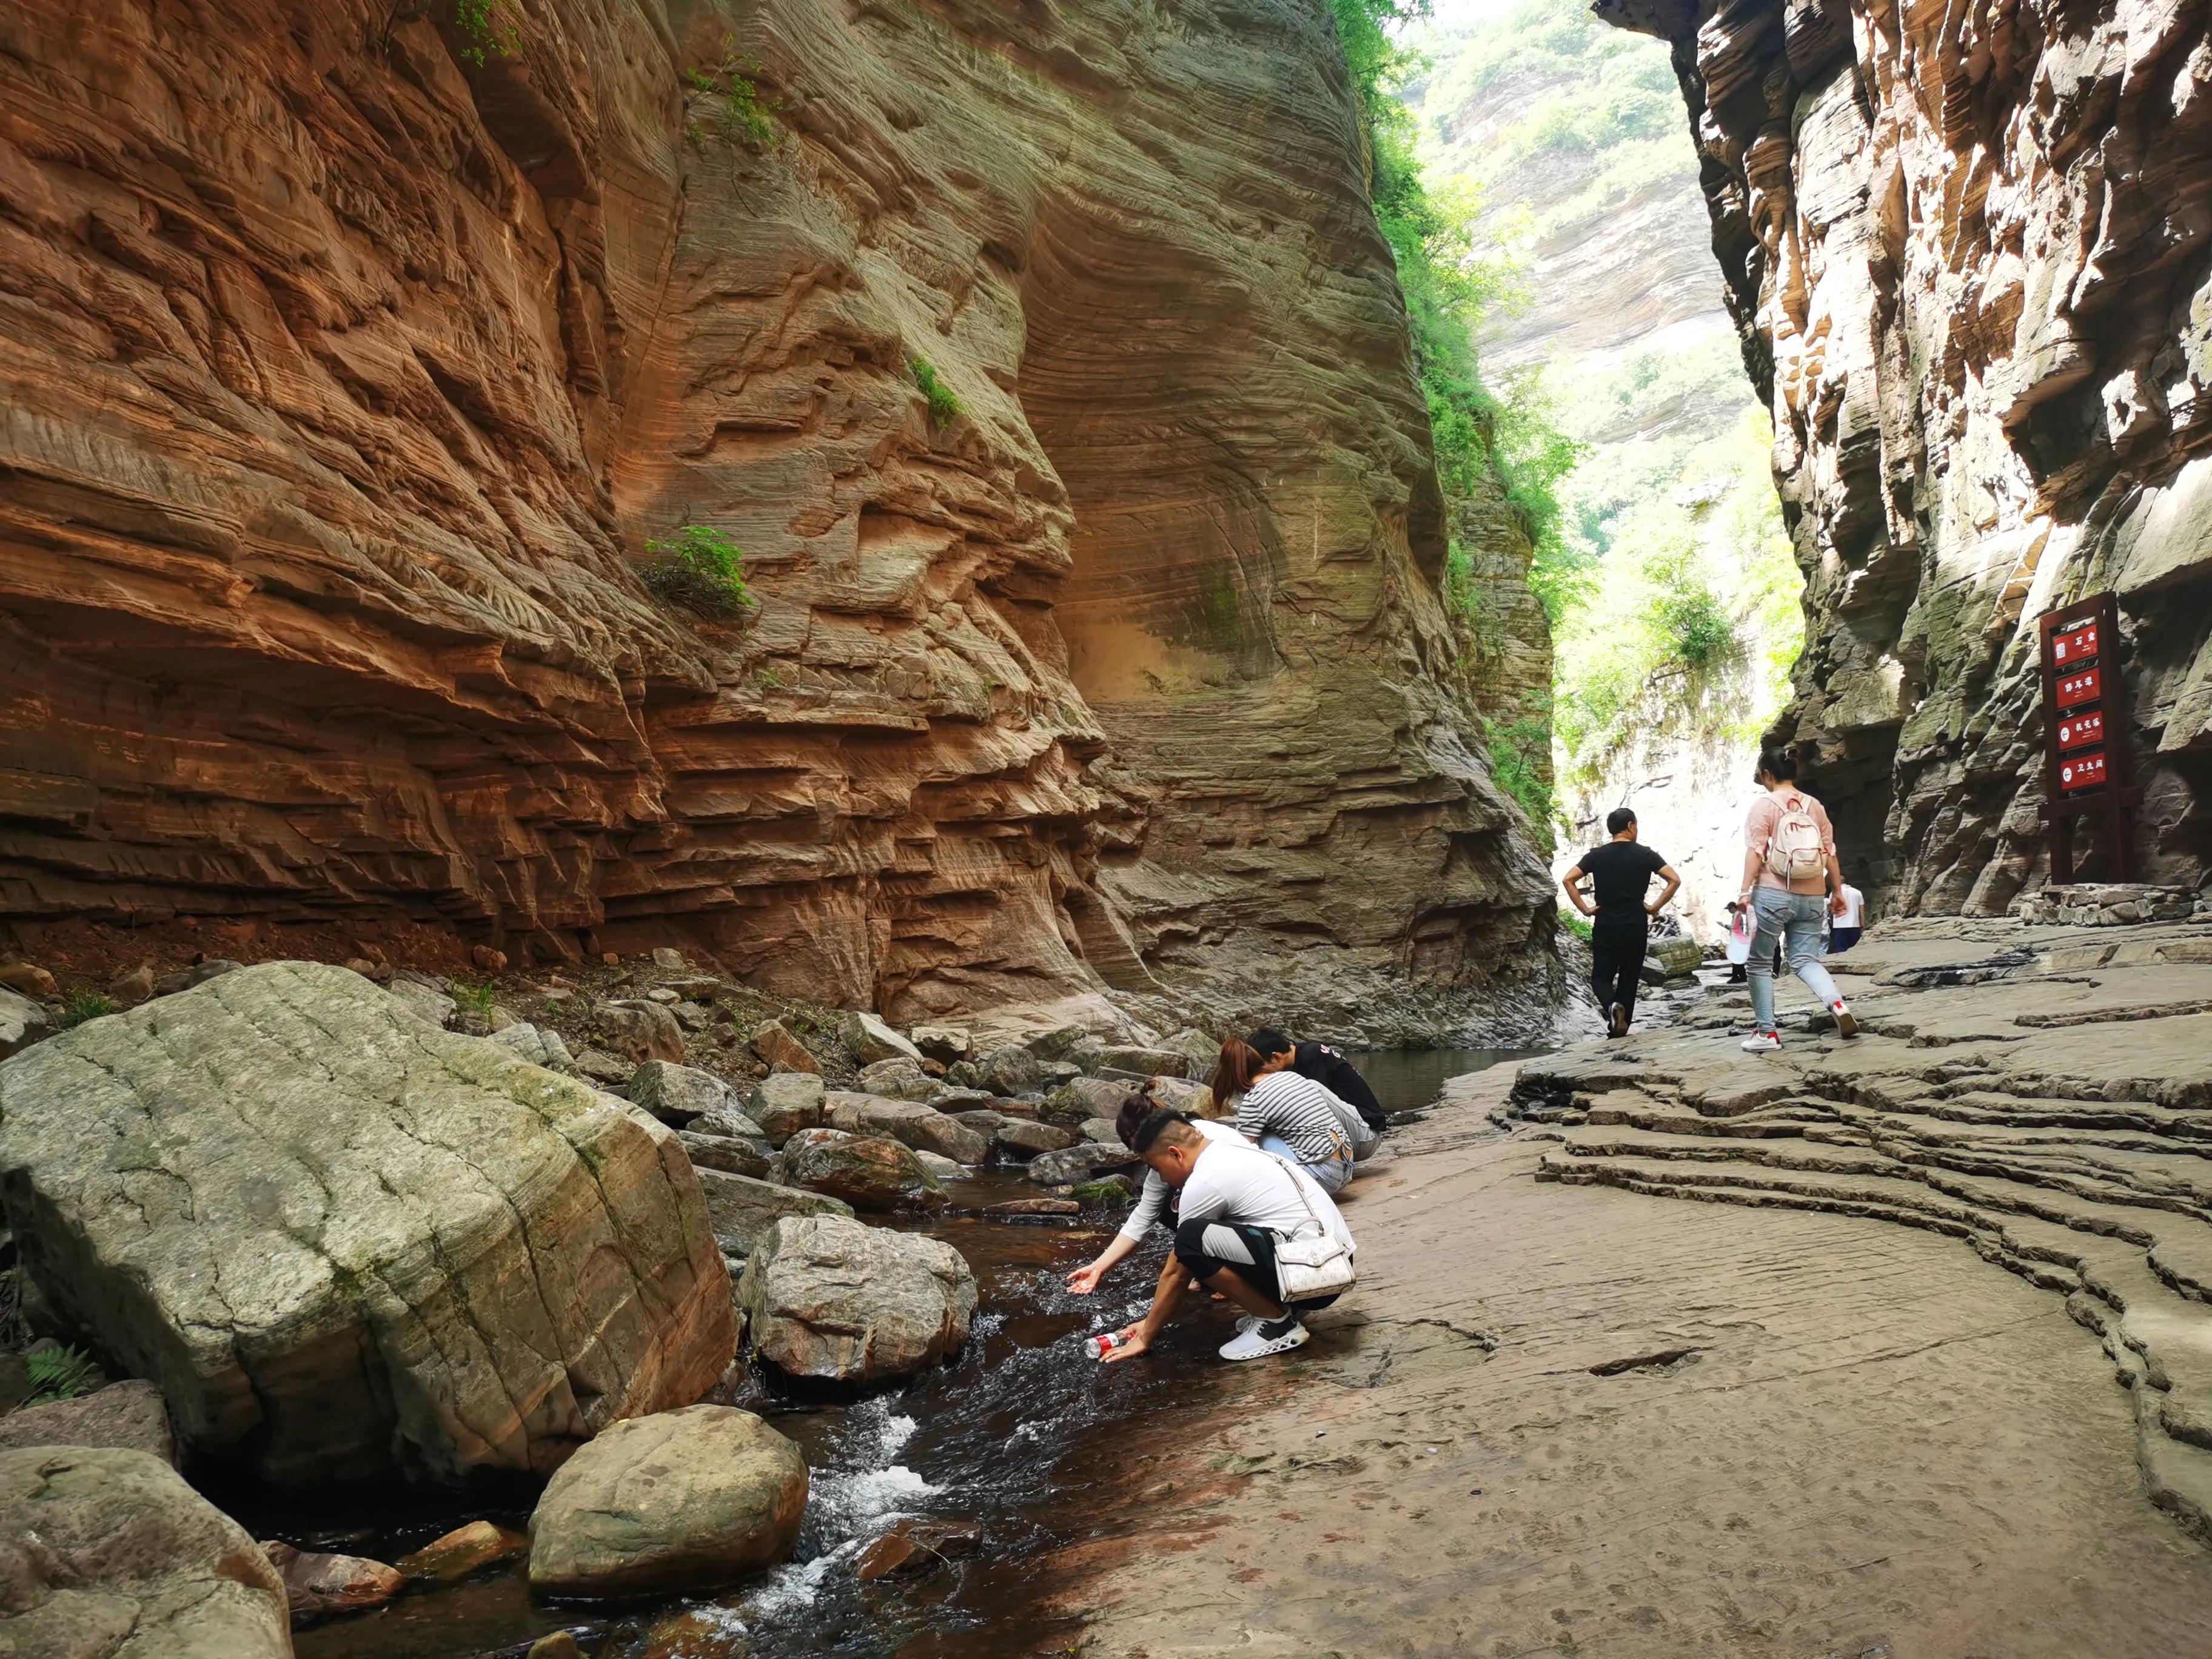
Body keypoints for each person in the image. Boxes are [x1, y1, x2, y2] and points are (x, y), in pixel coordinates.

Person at [1076, 1099, 1357, 1364]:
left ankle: (1276, 1324)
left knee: (1190, 1240)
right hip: (1333, 1259)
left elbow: (1177, 1271)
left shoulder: (1204, 1181)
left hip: (1316, 1277)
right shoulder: (1220, 1145)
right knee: (1203, 1234)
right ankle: (1277, 1310)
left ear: (1175, 1154)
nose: (1161, 1178)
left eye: (1157, 1169)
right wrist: (1101, 1268)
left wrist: (1146, 1334)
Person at [1735, 749, 1858, 1051]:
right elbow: (1829, 852)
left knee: (1759, 964)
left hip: (1773, 894)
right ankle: (1838, 1005)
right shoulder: (1815, 806)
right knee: (1805, 960)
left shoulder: (1764, 806)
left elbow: (1756, 852)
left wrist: (1744, 891)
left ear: (1767, 775)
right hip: (1813, 896)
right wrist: (1837, 891)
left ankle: (1767, 1034)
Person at [1561, 806, 1681, 1037]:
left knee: (1600, 978)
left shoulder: (1596, 855)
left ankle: (1612, 1006)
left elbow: (1568, 880)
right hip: (1635, 922)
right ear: (1630, 826)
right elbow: (1674, 880)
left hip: (1606, 922)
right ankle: (1620, 1029)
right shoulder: (1646, 855)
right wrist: (1654, 907)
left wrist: (1585, 909)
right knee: (1629, 977)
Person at [1207, 1038, 1363, 1193]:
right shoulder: (1293, 1077)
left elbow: (1244, 1151)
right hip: (1347, 1167)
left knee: (1257, 1140)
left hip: (1324, 1176)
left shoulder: (1254, 1098)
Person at [1248, 1028, 1389, 1136]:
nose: (1263, 1074)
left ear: (1276, 1057)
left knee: (1310, 1092)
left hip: (1366, 1127)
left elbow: (1316, 1111)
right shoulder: (1302, 1055)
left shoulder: (1312, 1056)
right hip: (1351, 1123)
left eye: (1262, 1068)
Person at [1829, 877, 1866, 953]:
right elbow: (1861, 910)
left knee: (1840, 950)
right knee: (1854, 950)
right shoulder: (1857, 892)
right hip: (1854, 925)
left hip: (1839, 925)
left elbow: (1831, 909)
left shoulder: (1834, 894)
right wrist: (1862, 923)